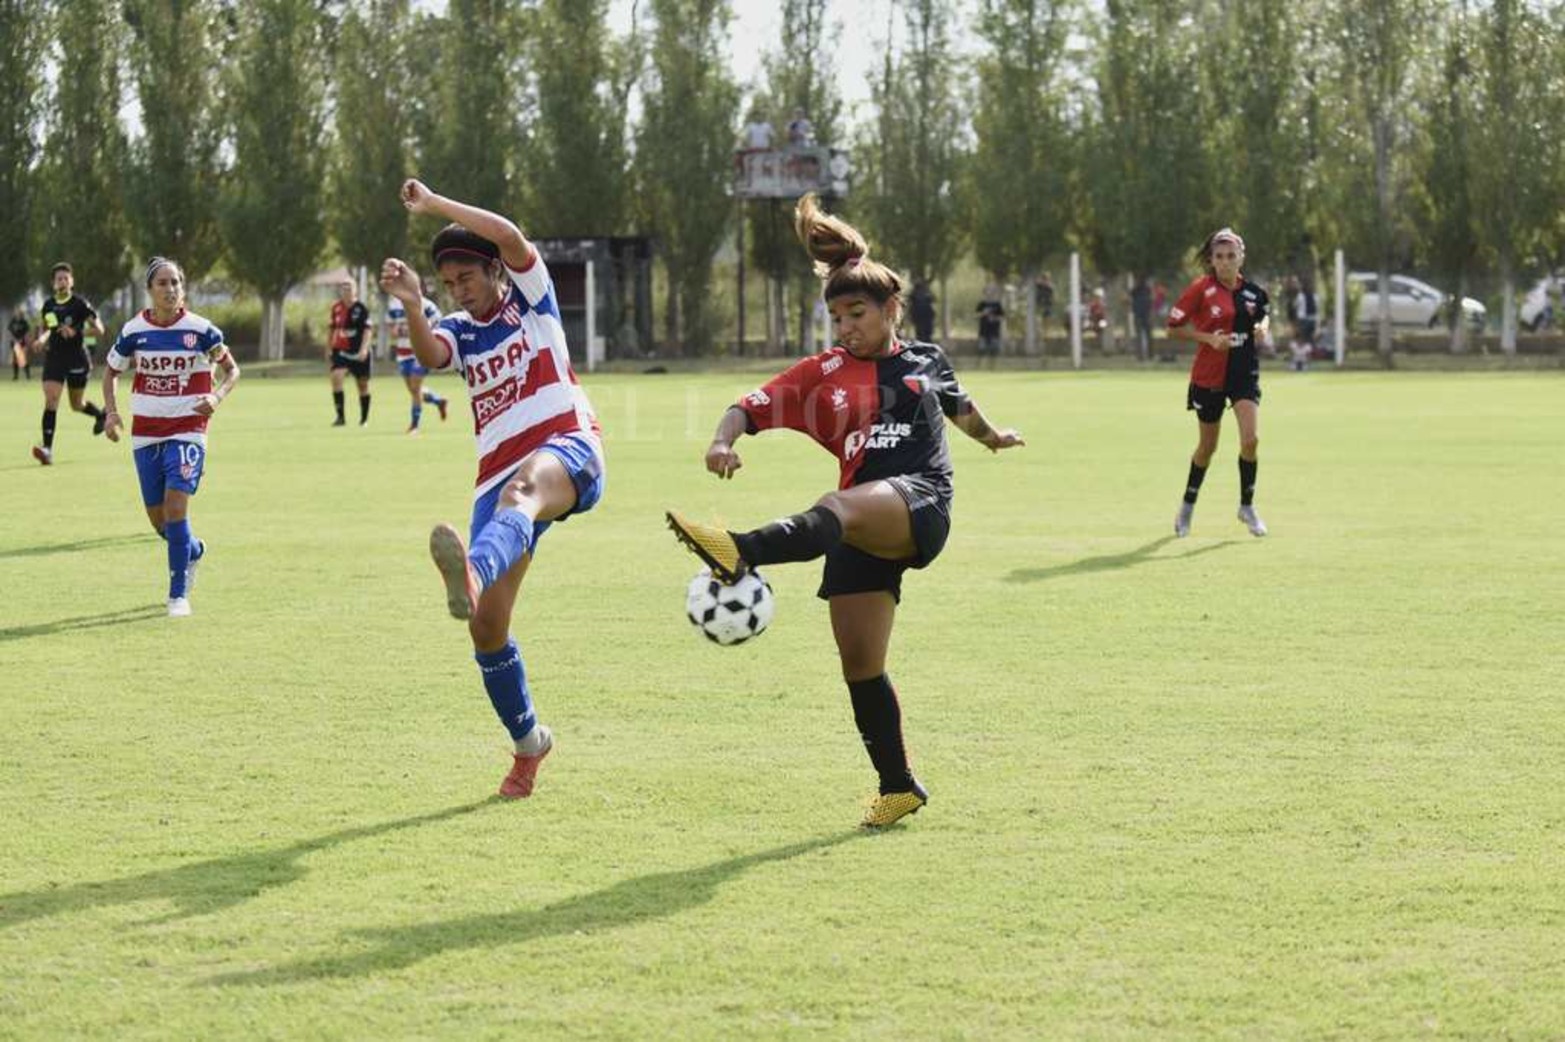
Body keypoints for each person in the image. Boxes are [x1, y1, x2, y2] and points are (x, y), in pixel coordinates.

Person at [665, 193, 1024, 829]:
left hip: (921, 499)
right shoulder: (824, 371)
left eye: (857, 314)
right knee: (861, 665)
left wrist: (993, 438)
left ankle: (738, 549)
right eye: (836, 317)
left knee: (834, 505)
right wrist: (722, 441)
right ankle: (898, 787)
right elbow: (748, 405)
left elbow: (961, 410)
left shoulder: (926, 360)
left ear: (891, 309)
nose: (845, 327)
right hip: (861, 520)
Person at [378, 178, 605, 802]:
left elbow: (507, 234)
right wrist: (415, 303)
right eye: (449, 283)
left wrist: (432, 206)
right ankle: (530, 744)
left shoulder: (531, 300)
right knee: (486, 629)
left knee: (523, 493)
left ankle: (471, 572)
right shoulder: (460, 328)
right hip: (494, 476)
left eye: (467, 277)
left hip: (566, 447)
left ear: (495, 272)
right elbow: (431, 354)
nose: (459, 289)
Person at [101, 257, 240, 617]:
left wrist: (216, 397)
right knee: (160, 521)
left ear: (183, 287)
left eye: (175, 282)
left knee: (176, 508)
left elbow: (232, 370)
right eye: (162, 283)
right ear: (149, 289)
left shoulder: (201, 330)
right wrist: (111, 412)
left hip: (188, 430)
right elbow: (111, 372)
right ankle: (193, 550)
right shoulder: (134, 331)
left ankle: (178, 595)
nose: (170, 289)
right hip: (146, 434)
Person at [1166, 227, 1270, 538]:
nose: (1225, 262)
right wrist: (1208, 338)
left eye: (1230, 256)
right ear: (1212, 260)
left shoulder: (1253, 292)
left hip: (1243, 374)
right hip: (1209, 376)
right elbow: (1173, 328)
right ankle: (1187, 505)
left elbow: (1263, 314)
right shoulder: (1201, 289)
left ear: (1241, 258)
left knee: (1251, 440)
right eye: (1219, 256)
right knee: (1207, 447)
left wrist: (1263, 327)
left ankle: (1247, 506)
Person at [31, 262, 109, 465]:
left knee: (76, 404)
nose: (63, 282)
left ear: (72, 281)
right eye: (59, 279)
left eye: (66, 278)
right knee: (51, 399)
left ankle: (100, 415)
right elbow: (50, 328)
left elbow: (100, 329)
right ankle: (47, 450)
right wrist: (41, 339)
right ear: (53, 283)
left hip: (77, 358)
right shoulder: (48, 305)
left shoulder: (80, 304)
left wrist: (77, 331)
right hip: (55, 357)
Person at [386, 290, 450, 434]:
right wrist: (397, 331)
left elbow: (440, 324)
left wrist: (424, 333)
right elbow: (392, 330)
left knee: (415, 387)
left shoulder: (426, 305)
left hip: (421, 352)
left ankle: (415, 425)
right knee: (414, 390)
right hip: (403, 354)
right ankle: (438, 401)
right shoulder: (394, 305)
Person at [327, 277, 372, 426]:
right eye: (344, 288)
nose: (346, 291)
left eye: (349, 288)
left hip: (358, 351)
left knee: (362, 385)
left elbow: (367, 330)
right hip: (341, 350)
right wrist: (328, 347)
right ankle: (340, 417)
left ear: (355, 290)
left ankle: (364, 419)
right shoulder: (336, 308)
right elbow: (331, 329)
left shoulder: (361, 308)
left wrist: (364, 349)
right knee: (336, 377)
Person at [975, 285, 1004, 368]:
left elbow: (1002, 317)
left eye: (991, 292)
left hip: (994, 331)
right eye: (988, 291)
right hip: (983, 330)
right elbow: (976, 315)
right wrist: (983, 313)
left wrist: (994, 318)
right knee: (981, 350)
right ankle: (979, 366)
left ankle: (993, 367)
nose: (989, 293)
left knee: (994, 350)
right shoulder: (981, 304)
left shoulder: (997, 305)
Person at [1130, 276, 1153, 361]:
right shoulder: (1147, 290)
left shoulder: (1135, 291)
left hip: (1139, 315)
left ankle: (1141, 356)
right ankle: (1149, 355)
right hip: (1145, 314)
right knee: (1147, 335)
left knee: (1139, 335)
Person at [9, 310, 31, 380]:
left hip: (22, 343)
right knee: (15, 360)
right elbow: (10, 332)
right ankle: (15, 376)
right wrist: (14, 339)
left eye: (20, 314)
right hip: (14, 343)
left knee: (23, 359)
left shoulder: (24, 322)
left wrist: (23, 339)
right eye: (17, 313)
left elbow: (27, 333)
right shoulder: (13, 322)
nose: (18, 315)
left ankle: (28, 375)